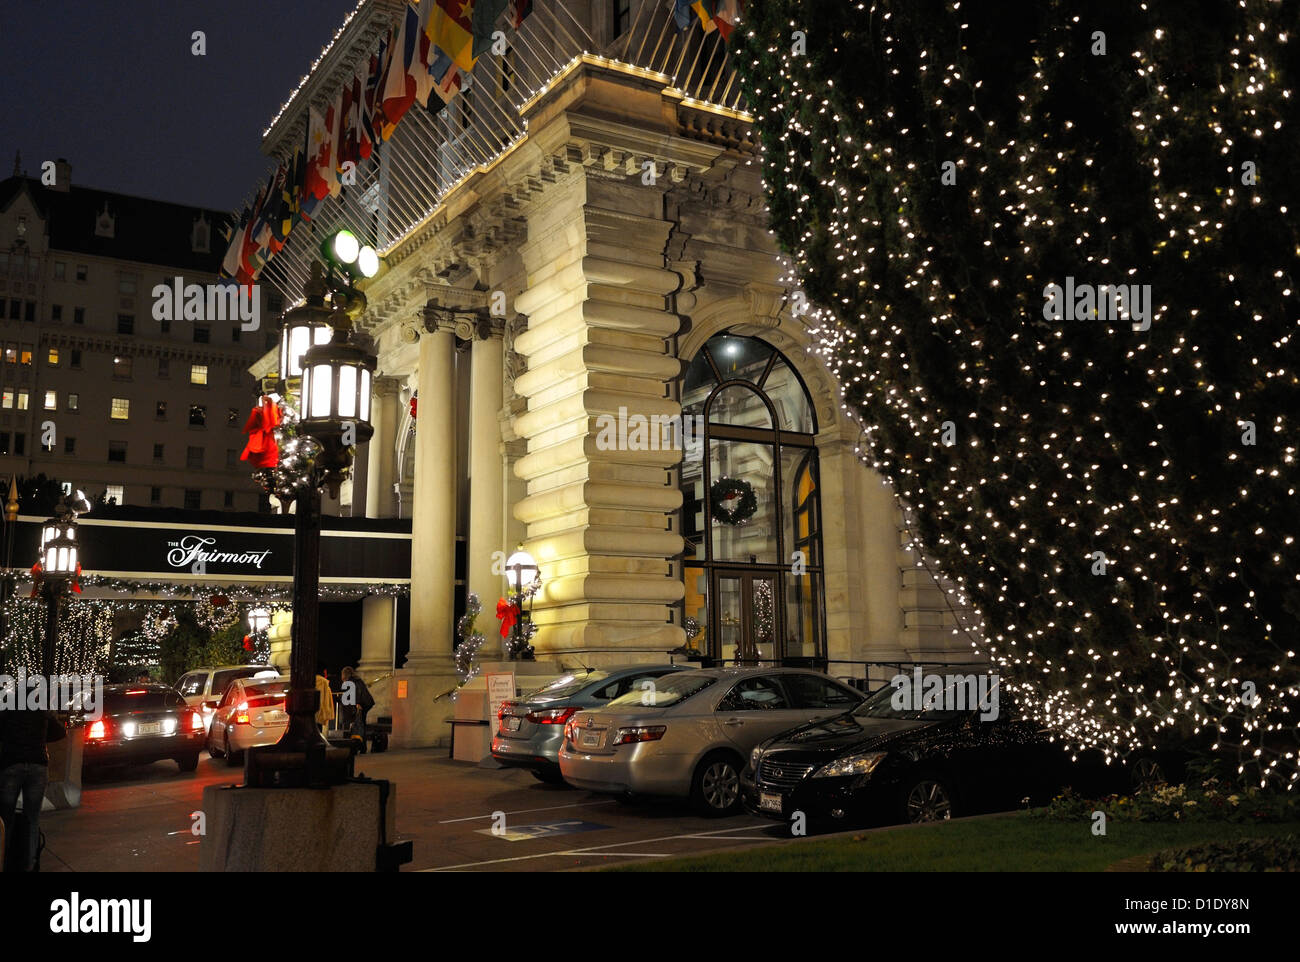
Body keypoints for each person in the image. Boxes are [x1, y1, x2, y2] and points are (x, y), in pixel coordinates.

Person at [0, 705, 66, 871]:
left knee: (5, 819)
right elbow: (60, 732)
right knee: (32, 818)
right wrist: (40, 737)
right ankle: (30, 864)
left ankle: (4, 862)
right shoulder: (42, 709)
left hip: (12, 764)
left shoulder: (8, 709)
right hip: (38, 765)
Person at [341, 667, 375, 753]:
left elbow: (356, 694)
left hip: (360, 705)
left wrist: (357, 704)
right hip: (366, 704)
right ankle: (362, 747)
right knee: (361, 724)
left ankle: (358, 747)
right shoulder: (357, 680)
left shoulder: (351, 682)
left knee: (358, 726)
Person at [314, 668, 334, 737]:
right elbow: (324, 699)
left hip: (310, 711)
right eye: (325, 673)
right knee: (319, 732)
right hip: (319, 711)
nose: (326, 675)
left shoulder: (310, 680)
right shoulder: (323, 682)